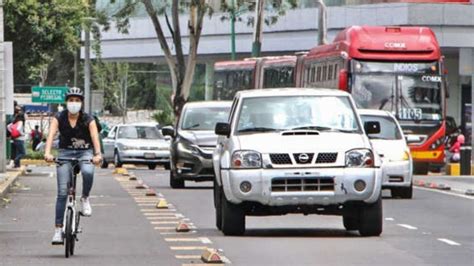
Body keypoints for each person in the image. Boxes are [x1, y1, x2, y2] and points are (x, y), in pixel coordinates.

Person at [44, 87, 102, 245]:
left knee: (88, 172)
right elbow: (50, 135)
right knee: (62, 192)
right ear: (66, 102)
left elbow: (95, 137)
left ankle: (85, 198)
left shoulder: (88, 119)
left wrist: (97, 155)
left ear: (81, 103)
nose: (74, 103)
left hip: (85, 153)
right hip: (64, 153)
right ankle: (57, 230)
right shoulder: (59, 117)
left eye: (77, 100)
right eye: (71, 100)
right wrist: (48, 153)